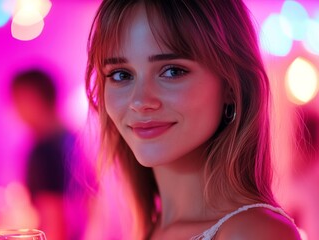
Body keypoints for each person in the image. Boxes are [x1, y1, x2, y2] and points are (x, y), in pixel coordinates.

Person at [85, 0, 301, 239]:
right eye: (121, 74)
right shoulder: (149, 228)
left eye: (172, 71)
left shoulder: (253, 233)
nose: (139, 101)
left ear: (231, 86)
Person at [10, 69, 77, 240]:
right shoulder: (74, 140)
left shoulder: (44, 151)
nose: (16, 112)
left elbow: (55, 223)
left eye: (17, 102)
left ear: (32, 99)